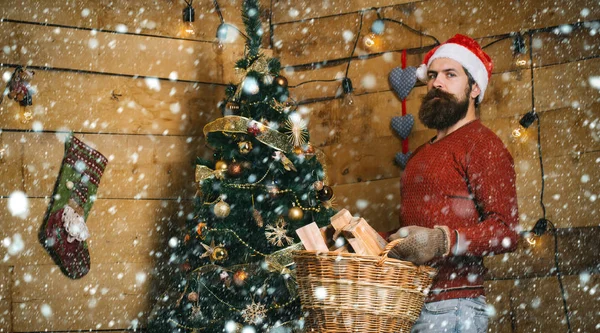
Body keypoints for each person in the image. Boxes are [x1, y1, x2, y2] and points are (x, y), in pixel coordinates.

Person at [388, 34, 520, 333]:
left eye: (450, 74)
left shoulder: (483, 145)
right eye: (432, 75)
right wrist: (365, 237)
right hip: (410, 301)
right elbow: (412, 231)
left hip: (454, 307)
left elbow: (507, 232)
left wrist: (443, 240)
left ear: (475, 88)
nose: (437, 83)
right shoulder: (422, 154)